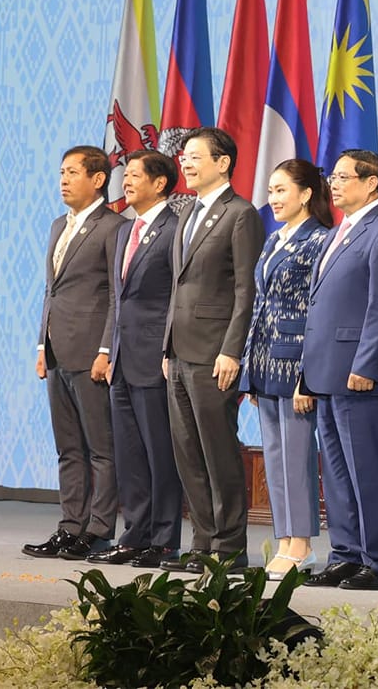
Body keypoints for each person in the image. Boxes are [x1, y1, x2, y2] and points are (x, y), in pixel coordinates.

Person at [300, 150, 378, 591]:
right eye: (333, 176)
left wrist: (366, 363)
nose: (334, 183)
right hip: (327, 372)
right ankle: (346, 554)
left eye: (344, 176)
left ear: (372, 183)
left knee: (368, 470)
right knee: (338, 472)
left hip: (362, 375)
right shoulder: (339, 231)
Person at [160, 127, 265, 573]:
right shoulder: (187, 213)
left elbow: (247, 290)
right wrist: (166, 347)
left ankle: (229, 547)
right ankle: (202, 542)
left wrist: (232, 350)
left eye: (195, 156)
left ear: (223, 162)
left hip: (214, 352)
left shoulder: (240, 214)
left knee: (218, 450)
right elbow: (177, 286)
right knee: (188, 452)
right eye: (184, 157)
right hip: (179, 352)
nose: (185, 163)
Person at [23, 146, 121, 561]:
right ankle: (70, 526)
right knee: (68, 447)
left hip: (90, 351)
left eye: (73, 172)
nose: (63, 180)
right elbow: (52, 291)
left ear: (98, 179)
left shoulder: (114, 226)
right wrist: (42, 344)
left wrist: (105, 349)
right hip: (59, 350)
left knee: (101, 447)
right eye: (61, 172)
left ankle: (98, 530)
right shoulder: (57, 225)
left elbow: (118, 295)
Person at [88, 150, 185, 568]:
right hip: (123, 358)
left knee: (159, 450)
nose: (124, 182)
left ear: (160, 182)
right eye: (123, 175)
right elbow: (118, 297)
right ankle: (135, 534)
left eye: (133, 175)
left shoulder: (175, 228)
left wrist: (168, 348)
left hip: (155, 356)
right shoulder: (125, 231)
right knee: (129, 452)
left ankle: (164, 539)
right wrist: (108, 348)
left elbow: (178, 296)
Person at [239, 159, 332, 580]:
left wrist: (307, 373)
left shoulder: (320, 240)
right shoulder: (274, 238)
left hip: (295, 362)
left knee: (297, 458)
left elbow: (318, 312)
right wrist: (249, 367)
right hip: (264, 361)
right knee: (274, 459)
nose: (273, 199)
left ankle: (303, 545)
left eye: (281, 190)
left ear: (307, 193)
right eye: (271, 191)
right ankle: (283, 540)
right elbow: (259, 306)